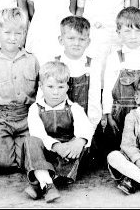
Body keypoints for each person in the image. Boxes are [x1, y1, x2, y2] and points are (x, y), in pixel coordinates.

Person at [23, 61, 94, 203]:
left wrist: (79, 141)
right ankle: (49, 185)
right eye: (50, 87)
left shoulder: (74, 108)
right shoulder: (35, 109)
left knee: (82, 145)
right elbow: (39, 135)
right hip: (46, 151)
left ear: (67, 87)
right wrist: (56, 146)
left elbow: (86, 129)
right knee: (30, 141)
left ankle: (39, 182)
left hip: (67, 153)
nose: (55, 92)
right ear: (41, 86)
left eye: (60, 87)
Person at [0, 7, 39, 172]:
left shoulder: (32, 60)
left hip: (25, 118)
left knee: (26, 161)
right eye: (7, 33)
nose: (12, 38)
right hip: (1, 119)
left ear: (24, 34)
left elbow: (38, 92)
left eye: (18, 34)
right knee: (3, 162)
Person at [100, 7, 140, 154]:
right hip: (121, 113)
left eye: (138, 31)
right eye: (127, 31)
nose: (133, 36)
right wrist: (107, 113)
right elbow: (109, 88)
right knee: (122, 148)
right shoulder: (114, 57)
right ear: (118, 32)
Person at [53, 16, 102, 131]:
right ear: (61, 40)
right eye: (71, 38)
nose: (76, 43)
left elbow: (94, 99)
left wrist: (90, 127)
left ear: (88, 42)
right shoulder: (54, 63)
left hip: (85, 125)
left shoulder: (92, 65)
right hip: (57, 124)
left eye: (82, 39)